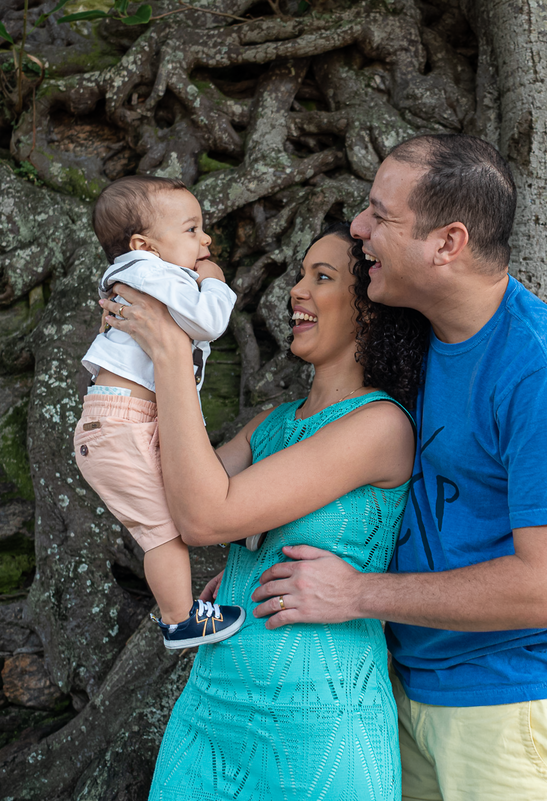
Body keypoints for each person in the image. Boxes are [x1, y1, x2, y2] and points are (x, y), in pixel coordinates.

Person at [250, 134, 547, 800]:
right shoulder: (409, 338)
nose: (358, 229)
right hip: (404, 692)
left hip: (522, 710)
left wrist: (355, 593)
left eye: (380, 215)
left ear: (447, 243)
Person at [100, 222, 430, 800]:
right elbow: (176, 506)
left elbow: (206, 517)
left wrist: (173, 353)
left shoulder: (380, 426)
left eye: (321, 277)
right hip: (210, 704)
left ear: (370, 309)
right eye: (300, 275)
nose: (296, 290)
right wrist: (126, 369)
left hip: (319, 722)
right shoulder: (271, 424)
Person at [74, 174, 245, 650]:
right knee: (163, 533)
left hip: (127, 420)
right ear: (143, 245)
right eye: (191, 230)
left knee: (176, 517)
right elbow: (209, 321)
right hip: (121, 422)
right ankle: (179, 620)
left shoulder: (148, 277)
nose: (205, 240)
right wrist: (215, 282)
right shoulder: (150, 273)